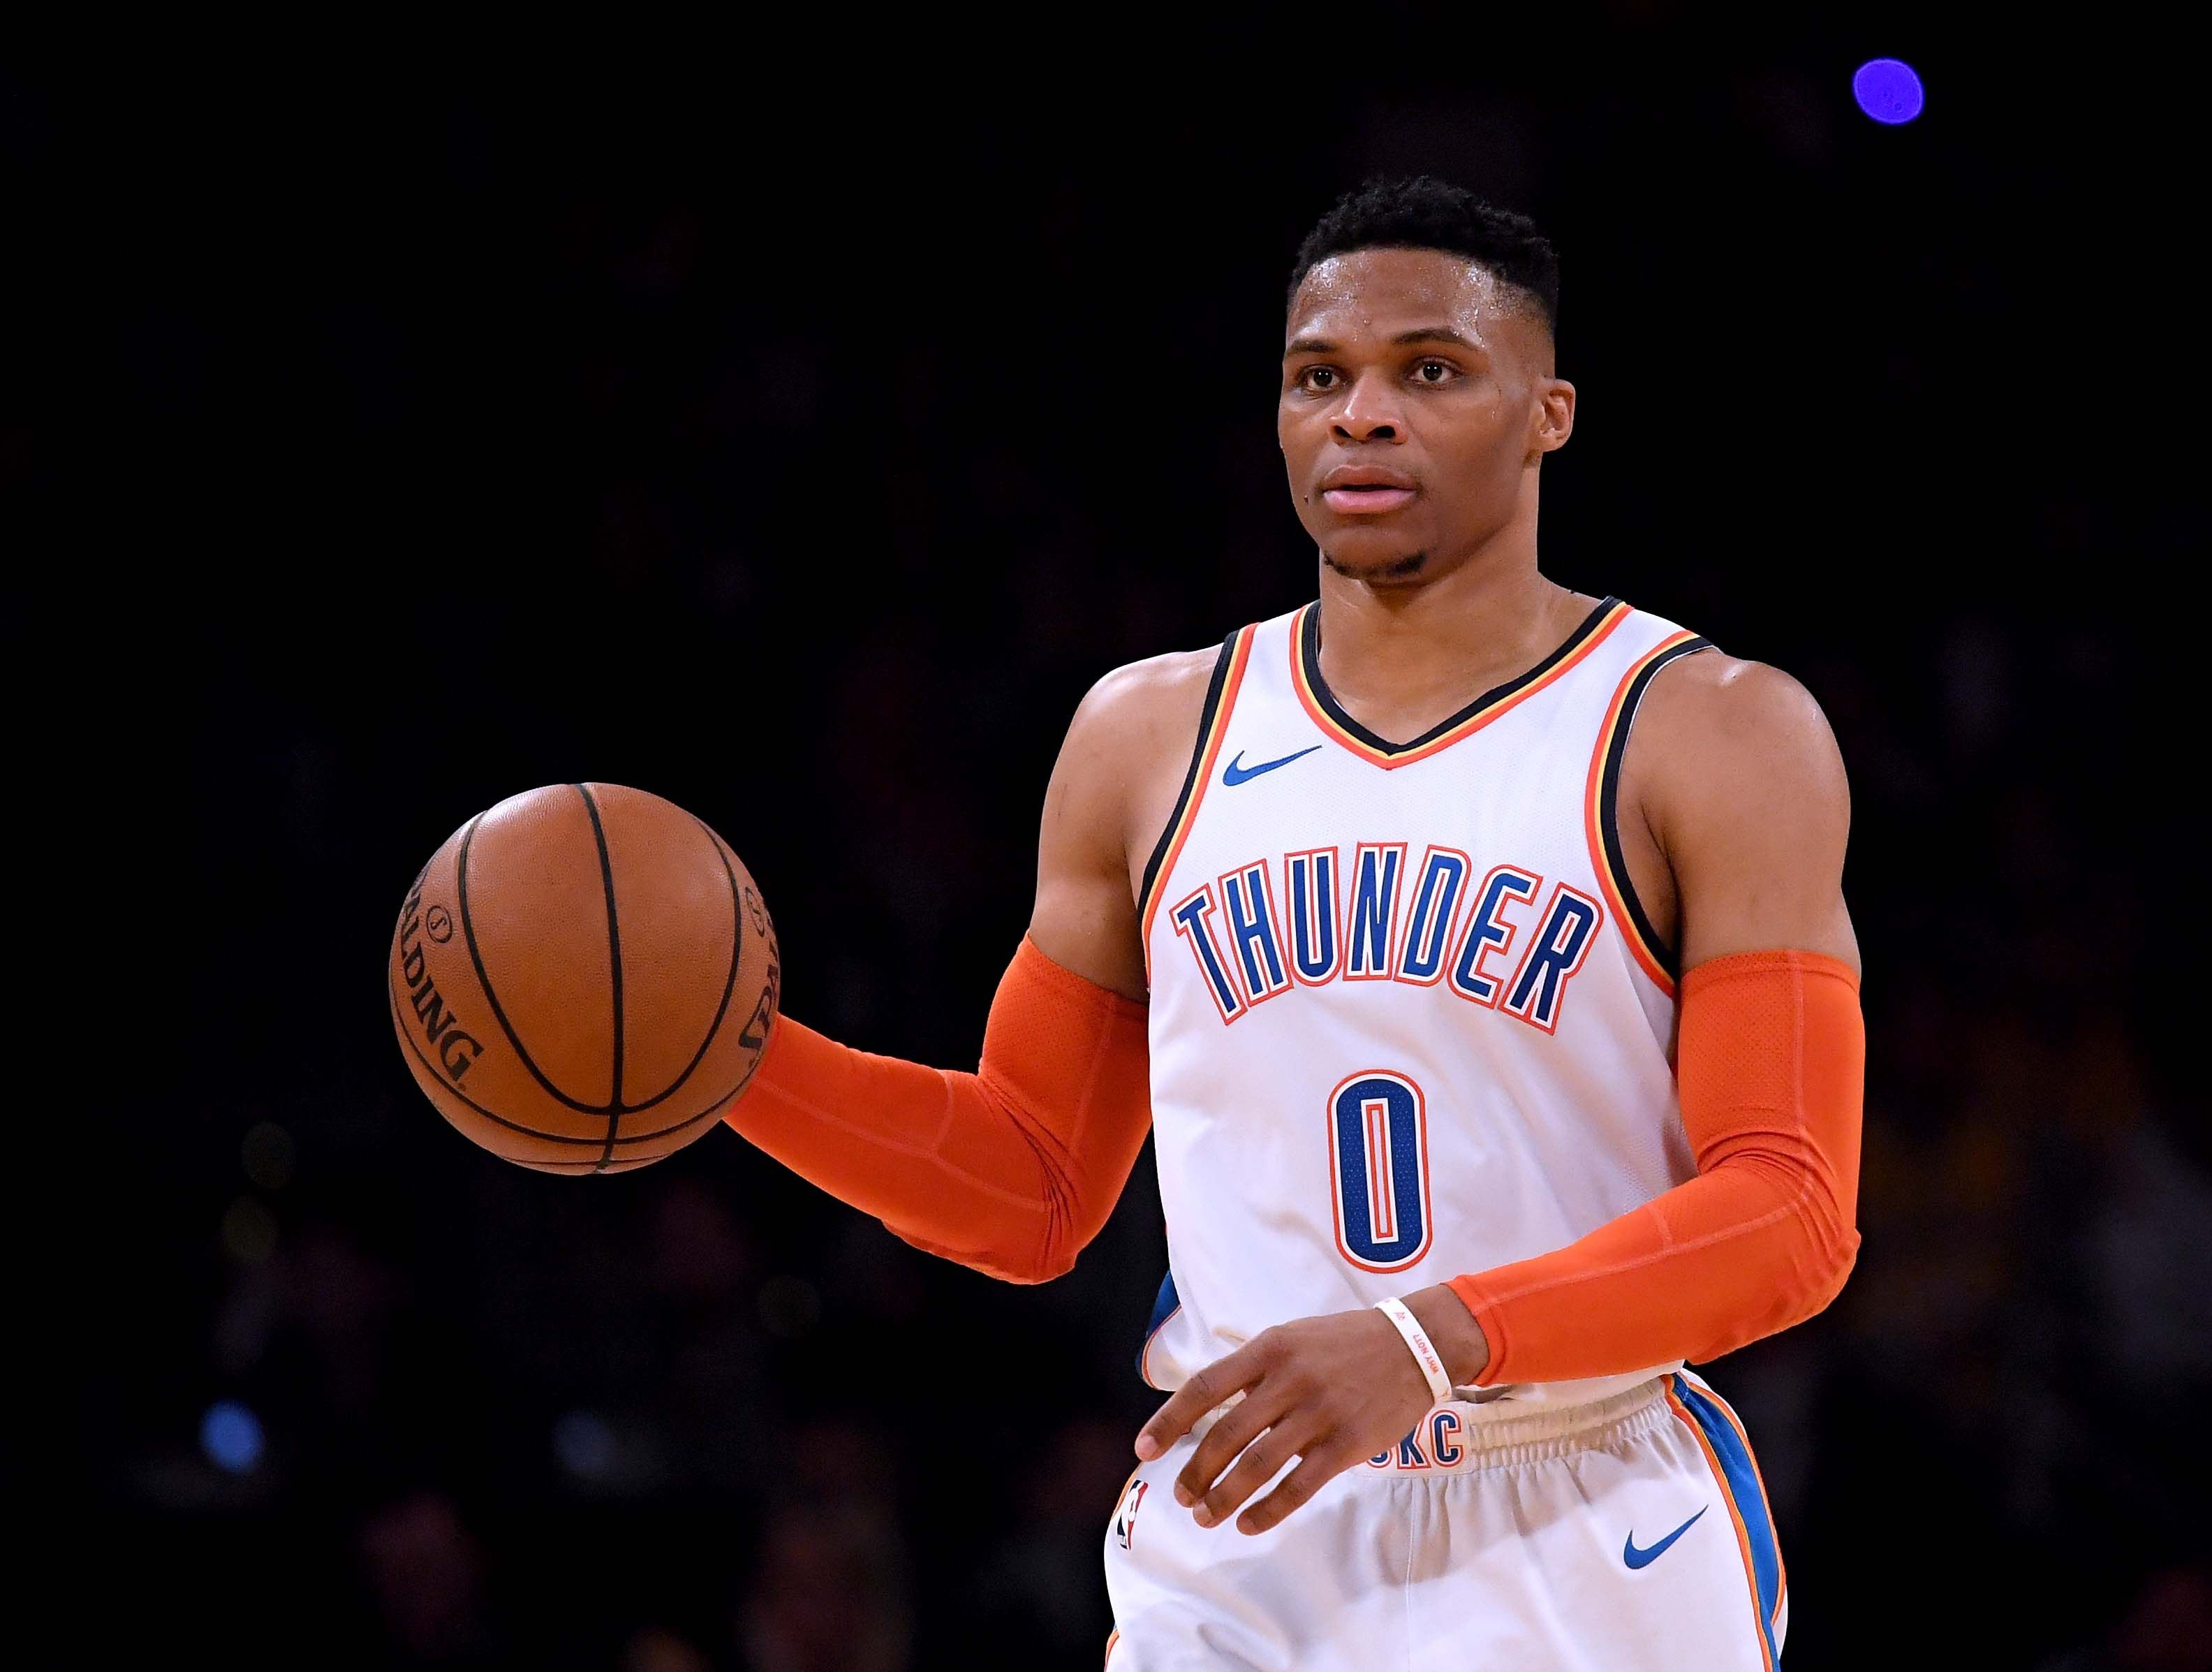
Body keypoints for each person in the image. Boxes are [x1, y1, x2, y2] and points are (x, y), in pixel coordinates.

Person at [726, 175, 1865, 1670]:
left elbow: (1789, 1212)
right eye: (1319, 377)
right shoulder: (1147, 736)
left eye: (1429, 371)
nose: (1363, 416)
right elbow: (1030, 1182)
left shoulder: (1706, 732)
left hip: (1575, 1505)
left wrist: (1429, 1341)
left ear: (1551, 413)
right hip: (1242, 1525)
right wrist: (731, 1070)